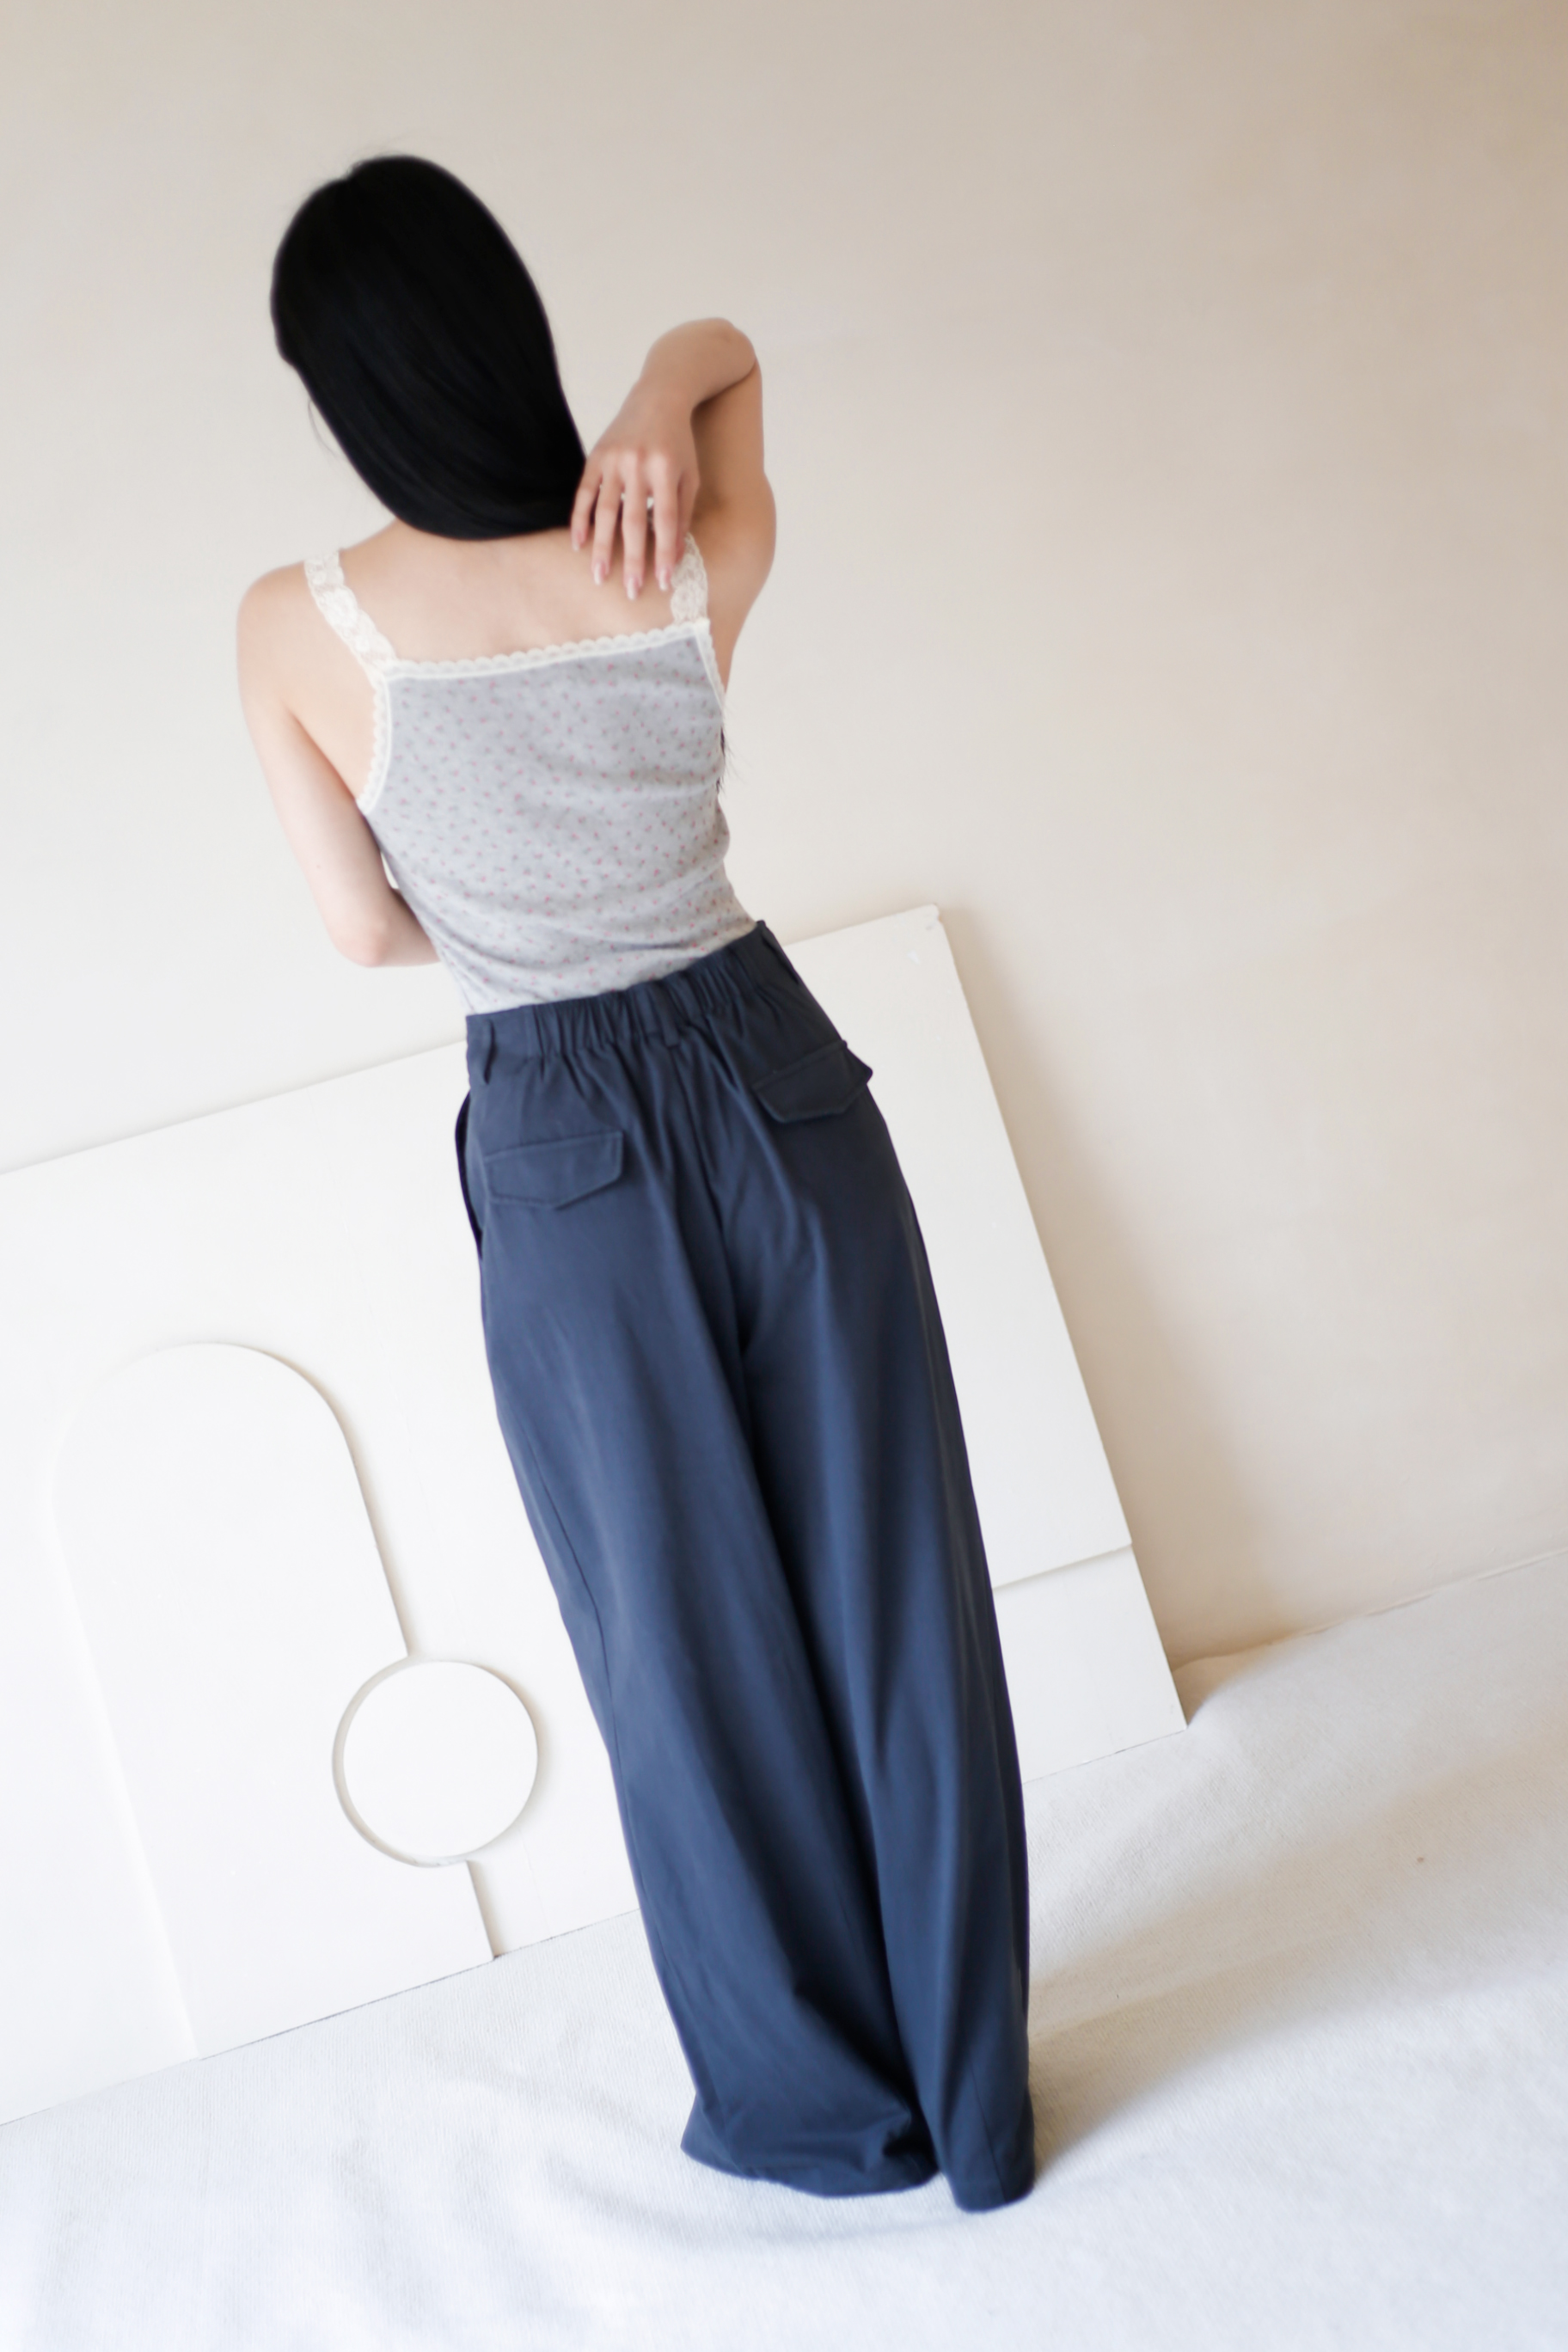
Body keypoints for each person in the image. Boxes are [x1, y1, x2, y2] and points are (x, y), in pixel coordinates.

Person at [237, 154, 1033, 2212]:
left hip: (562, 1132)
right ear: (504, 325)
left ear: (342, 388)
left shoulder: (301, 625)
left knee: (683, 1650)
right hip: (776, 1072)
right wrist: (656, 401)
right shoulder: (673, 547)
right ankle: (977, 2105)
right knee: (894, 1593)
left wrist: (512, 917)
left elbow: (363, 932)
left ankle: (825, 2114)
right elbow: (731, 347)